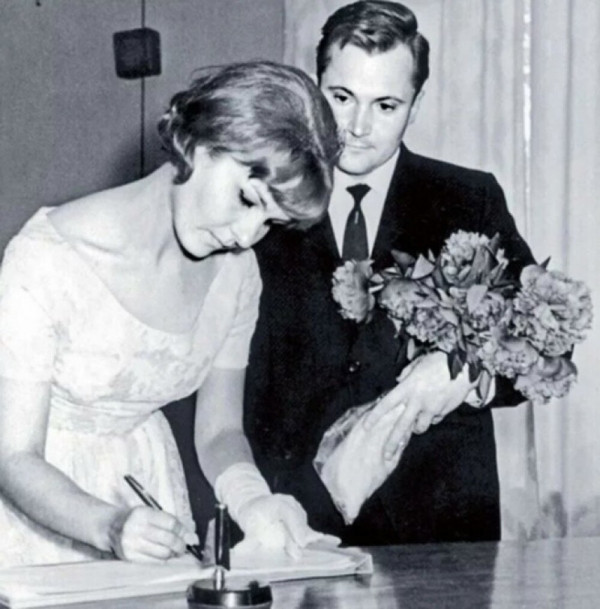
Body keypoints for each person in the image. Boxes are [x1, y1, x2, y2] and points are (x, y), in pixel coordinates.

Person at [0, 60, 341, 567]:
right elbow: (13, 457)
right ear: (199, 144)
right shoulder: (45, 259)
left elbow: (220, 431)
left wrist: (254, 502)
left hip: (148, 494)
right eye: (247, 199)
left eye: (271, 221)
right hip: (41, 515)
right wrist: (109, 525)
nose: (247, 236)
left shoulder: (237, 273)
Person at [244, 1, 536, 546]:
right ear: (315, 87)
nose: (357, 127)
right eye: (341, 98)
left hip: (443, 529)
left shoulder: (469, 198)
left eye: (385, 105)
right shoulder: (260, 202)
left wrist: (466, 378)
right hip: (296, 522)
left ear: (416, 104)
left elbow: (542, 345)